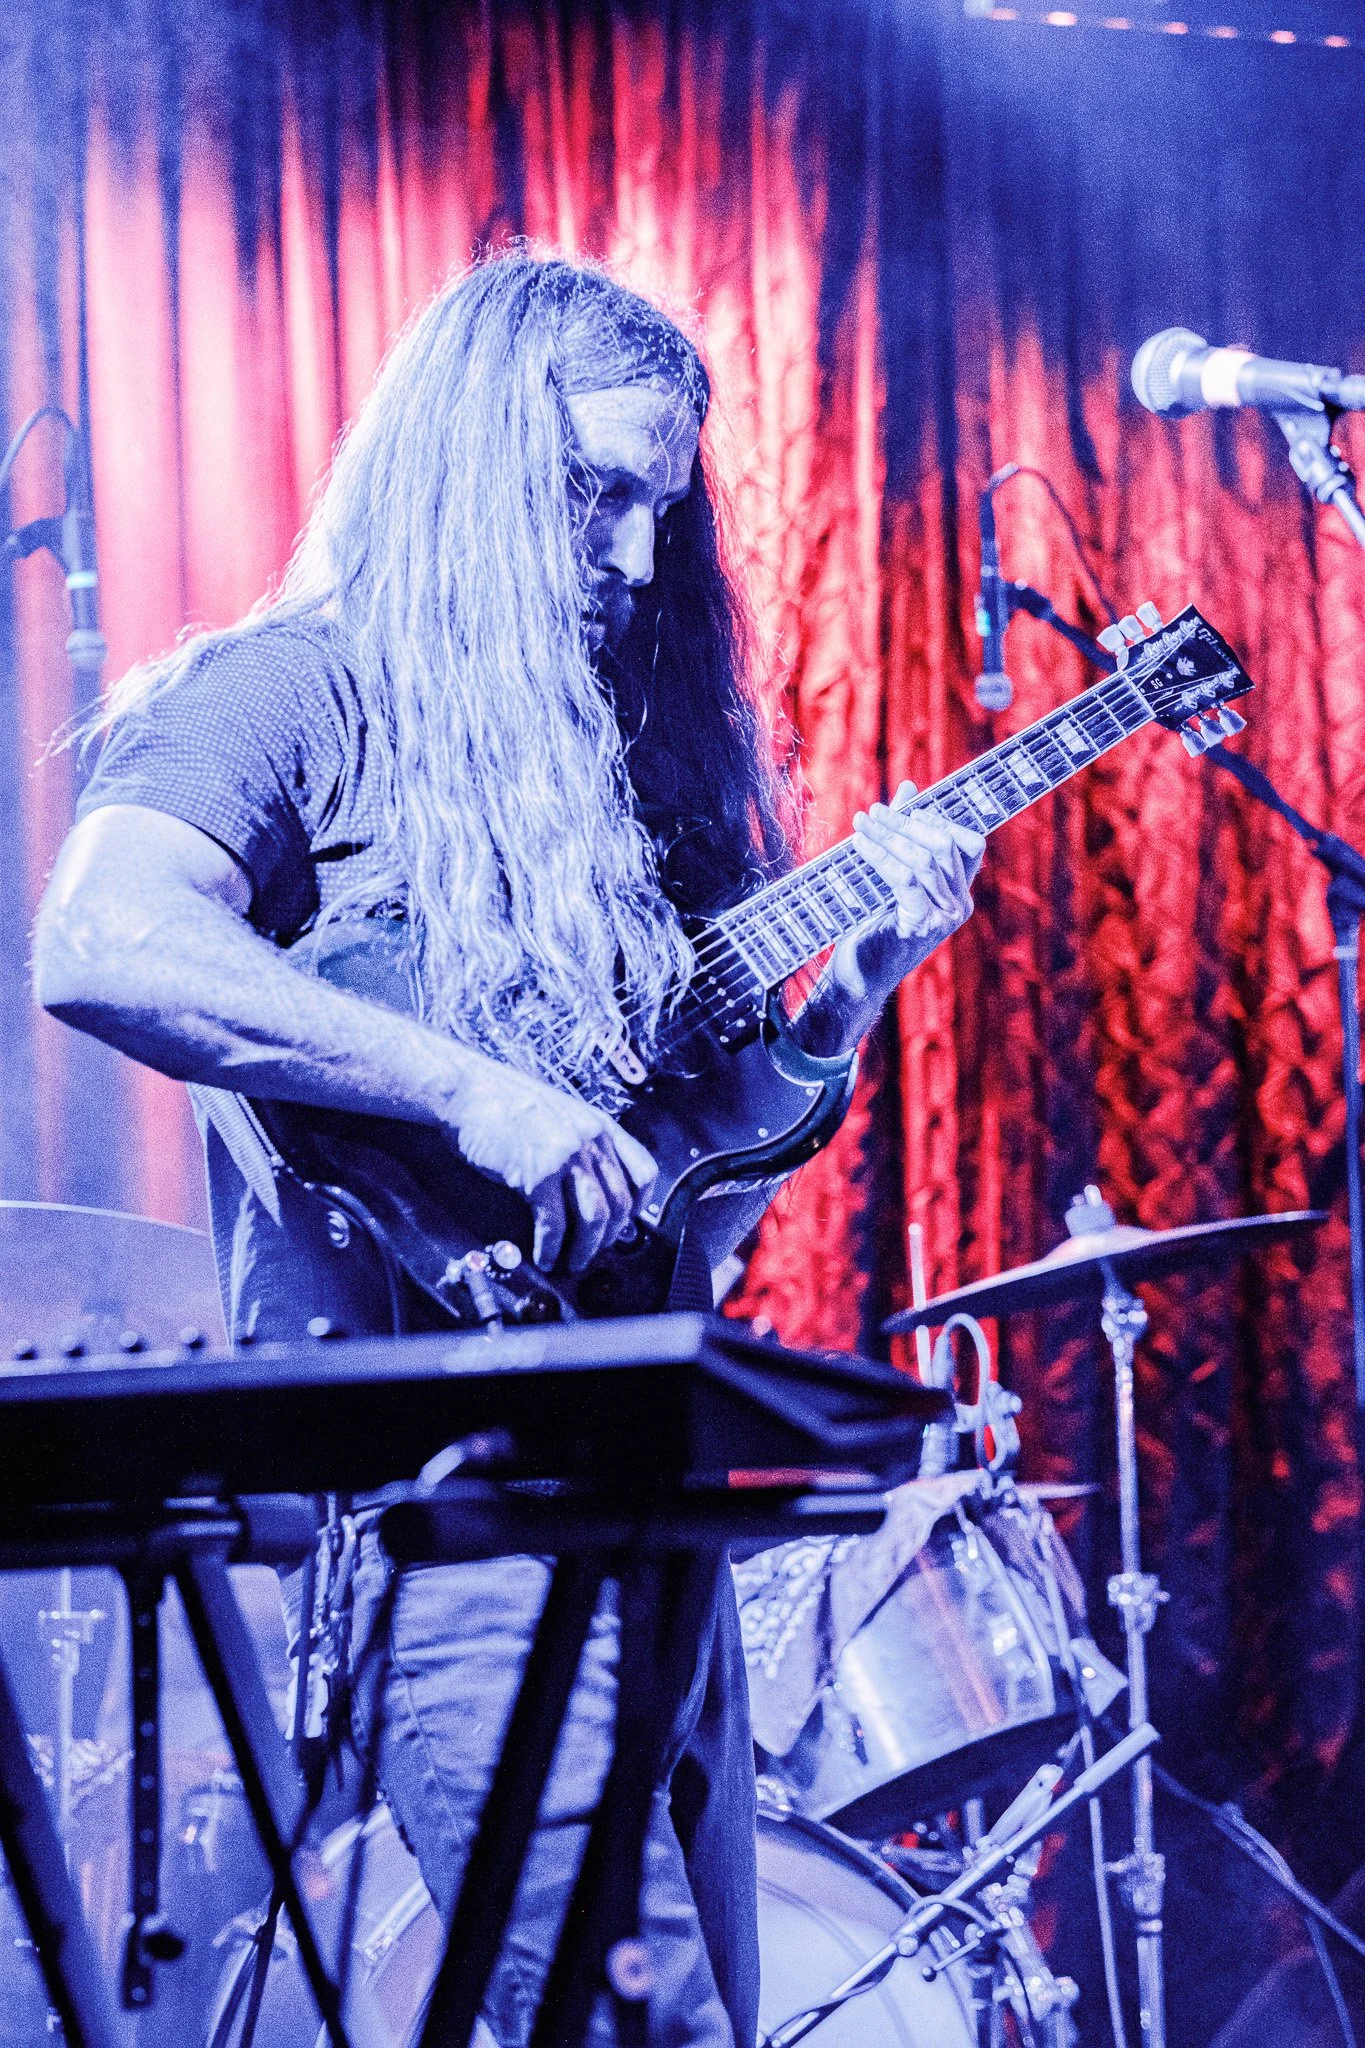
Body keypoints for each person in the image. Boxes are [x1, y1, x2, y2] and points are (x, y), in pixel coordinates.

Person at [32, 253, 983, 2047]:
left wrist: (839, 1008)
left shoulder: (615, 774)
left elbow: (682, 1207)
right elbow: (102, 942)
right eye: (589, 496)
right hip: (449, 1522)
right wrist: (475, 1090)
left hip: (660, 1521)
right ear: (471, 468)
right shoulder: (286, 697)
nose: (634, 563)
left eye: (656, 510)